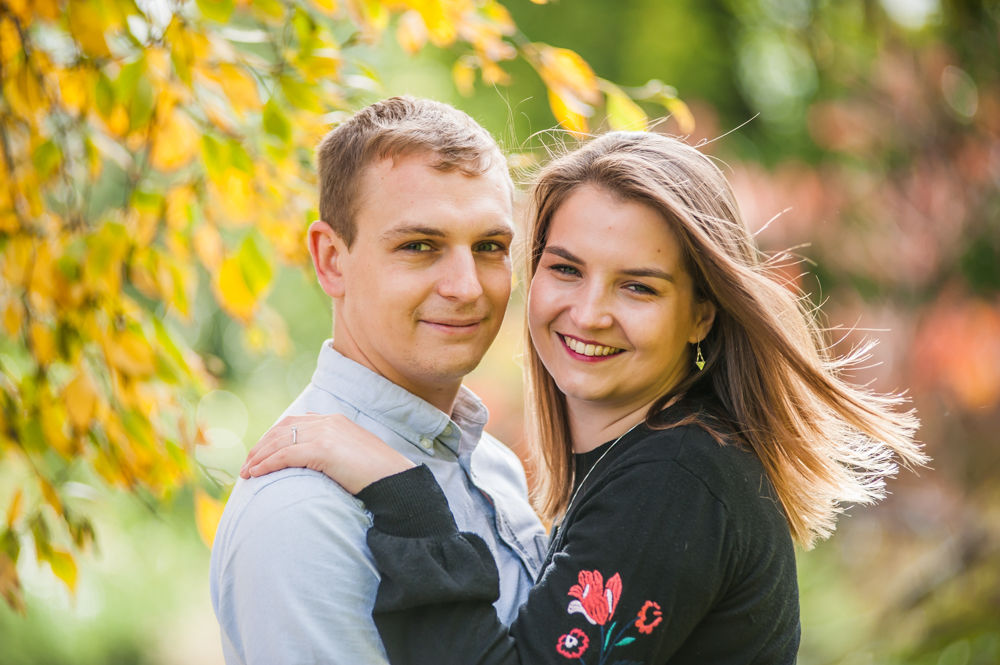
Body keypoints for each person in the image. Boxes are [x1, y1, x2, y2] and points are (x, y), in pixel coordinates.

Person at [243, 131, 926, 664]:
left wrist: (402, 491)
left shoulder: (673, 482)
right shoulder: (645, 462)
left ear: (701, 314)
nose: (589, 312)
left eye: (639, 286)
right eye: (567, 268)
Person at [209, 96, 548, 665]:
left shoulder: (493, 466)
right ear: (331, 260)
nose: (467, 287)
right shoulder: (305, 516)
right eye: (420, 246)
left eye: (490, 247)